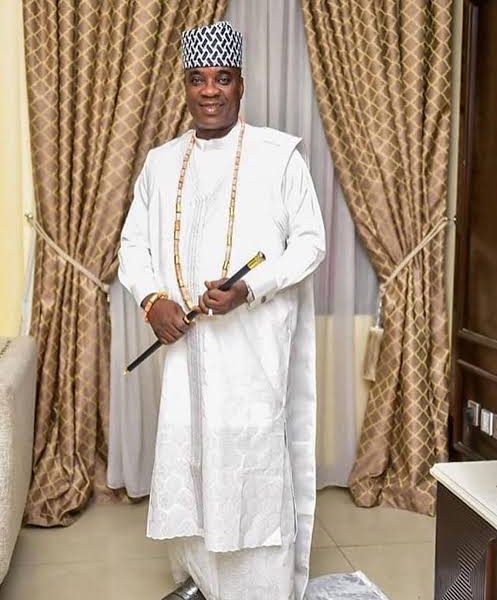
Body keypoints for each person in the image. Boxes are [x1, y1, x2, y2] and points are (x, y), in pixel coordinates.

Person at [118, 21, 326, 600]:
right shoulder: (160, 163)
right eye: (198, 79)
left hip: (252, 352)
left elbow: (310, 242)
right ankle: (198, 581)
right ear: (184, 86)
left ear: (241, 84)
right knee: (191, 458)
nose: (210, 91)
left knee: (249, 462)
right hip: (185, 352)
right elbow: (132, 245)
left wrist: (250, 288)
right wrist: (152, 299)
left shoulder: (279, 156)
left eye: (223, 78)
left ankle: (260, 590)